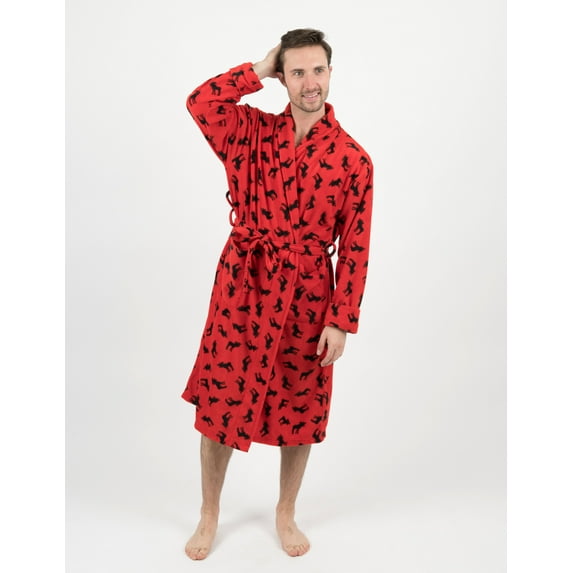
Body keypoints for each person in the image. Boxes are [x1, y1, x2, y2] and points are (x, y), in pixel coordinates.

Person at [181, 28, 374, 560]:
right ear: (282, 77)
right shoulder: (250, 132)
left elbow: (355, 247)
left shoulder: (354, 160)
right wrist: (258, 69)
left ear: (330, 73)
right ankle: (209, 514)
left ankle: (285, 512)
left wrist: (341, 320)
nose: (311, 83)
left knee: (300, 405)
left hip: (308, 294)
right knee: (220, 400)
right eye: (297, 71)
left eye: (319, 70)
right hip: (244, 282)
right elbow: (200, 103)